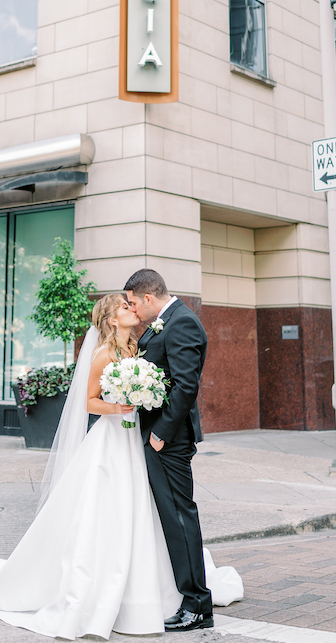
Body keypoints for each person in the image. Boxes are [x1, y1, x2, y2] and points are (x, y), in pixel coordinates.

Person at [0, 294, 242, 639]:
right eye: (124, 305)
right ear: (110, 318)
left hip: (137, 440)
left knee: (141, 510)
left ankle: (152, 584)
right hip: (112, 438)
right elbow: (89, 402)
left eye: (131, 302)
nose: (130, 308)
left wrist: (141, 398)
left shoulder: (139, 345)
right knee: (106, 510)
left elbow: (171, 382)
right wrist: (119, 406)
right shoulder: (103, 354)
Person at [124, 268, 212, 631]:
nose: (132, 309)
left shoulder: (182, 323)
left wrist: (160, 433)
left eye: (132, 302)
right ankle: (188, 599)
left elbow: (186, 386)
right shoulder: (167, 321)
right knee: (172, 517)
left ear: (148, 297)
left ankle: (197, 607)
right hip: (158, 436)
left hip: (168, 441)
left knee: (179, 516)